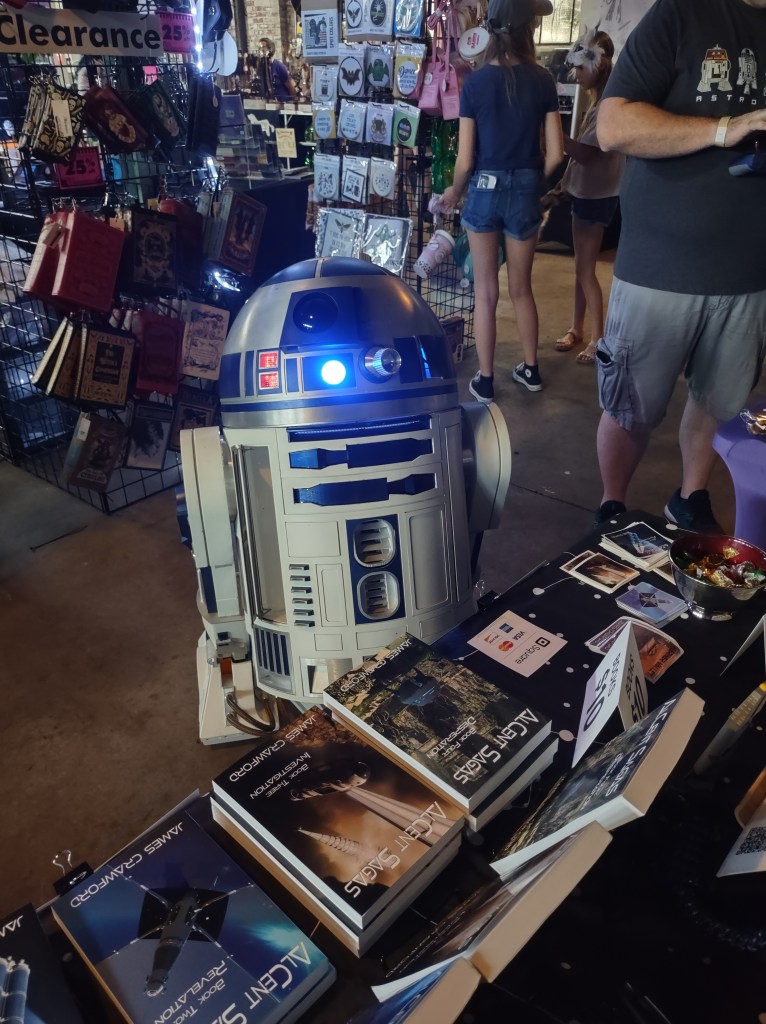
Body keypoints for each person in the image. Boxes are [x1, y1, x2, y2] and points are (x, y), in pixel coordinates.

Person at [593, 0, 766, 530]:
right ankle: (613, 507)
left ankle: (690, 497)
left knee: (719, 400)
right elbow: (613, 126)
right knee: (631, 406)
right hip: (660, 268)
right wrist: (725, 128)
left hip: (750, 271)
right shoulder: (681, 13)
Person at [437, 0, 564, 403]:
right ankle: (531, 370)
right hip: (525, 189)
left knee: (486, 292)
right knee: (522, 289)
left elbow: (465, 160)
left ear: (489, 31)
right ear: (528, 30)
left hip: (484, 190)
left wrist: (454, 192)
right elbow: (556, 155)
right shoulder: (543, 80)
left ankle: (487, 380)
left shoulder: (475, 84)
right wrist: (531, 184)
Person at [553, 29, 624, 365]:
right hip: (586, 192)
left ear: (596, 66)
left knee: (585, 269)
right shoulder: (598, 102)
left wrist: (554, 134)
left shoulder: (607, 106)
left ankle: (597, 338)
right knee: (581, 267)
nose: (575, 74)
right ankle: (577, 328)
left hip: (597, 196)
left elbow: (587, 154)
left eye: (580, 68)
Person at [259, 37, 297, 102]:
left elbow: (291, 87)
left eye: (263, 47)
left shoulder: (279, 66)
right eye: (260, 47)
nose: (261, 49)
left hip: (282, 103)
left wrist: (291, 103)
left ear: (270, 49)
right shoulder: (261, 67)